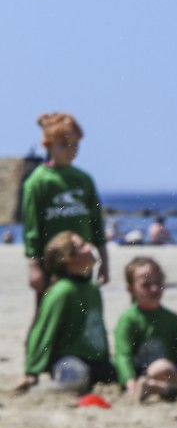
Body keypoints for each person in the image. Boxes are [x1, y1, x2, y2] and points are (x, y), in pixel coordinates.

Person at [20, 113, 108, 312]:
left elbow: (96, 223)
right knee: (49, 312)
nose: (71, 150)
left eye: (75, 145)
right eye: (64, 145)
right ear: (48, 145)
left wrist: (104, 260)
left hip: (82, 261)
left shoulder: (84, 179)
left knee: (82, 310)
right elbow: (31, 228)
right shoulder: (38, 181)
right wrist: (34, 266)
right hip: (51, 265)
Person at [14, 231, 114, 394]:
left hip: (96, 361)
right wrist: (31, 372)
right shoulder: (61, 291)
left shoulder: (93, 289)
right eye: (82, 246)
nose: (90, 247)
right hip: (68, 360)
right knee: (75, 374)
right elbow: (42, 331)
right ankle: (43, 391)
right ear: (69, 259)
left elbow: (99, 330)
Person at [114, 256, 177, 401]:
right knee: (161, 367)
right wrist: (130, 383)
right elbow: (123, 356)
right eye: (146, 285)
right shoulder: (129, 319)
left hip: (171, 374)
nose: (154, 288)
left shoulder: (173, 320)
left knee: (167, 369)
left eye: (158, 282)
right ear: (131, 289)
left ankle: (164, 388)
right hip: (142, 375)